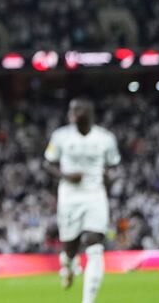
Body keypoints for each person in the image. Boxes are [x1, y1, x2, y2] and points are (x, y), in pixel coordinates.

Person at [45, 98, 120, 303]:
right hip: (70, 196)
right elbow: (48, 163)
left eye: (77, 109)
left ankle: (88, 301)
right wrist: (66, 176)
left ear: (88, 113)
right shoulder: (60, 136)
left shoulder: (105, 138)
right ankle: (67, 264)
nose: (72, 113)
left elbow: (114, 166)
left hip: (95, 194)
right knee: (70, 246)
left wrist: (109, 180)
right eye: (71, 110)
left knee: (95, 245)